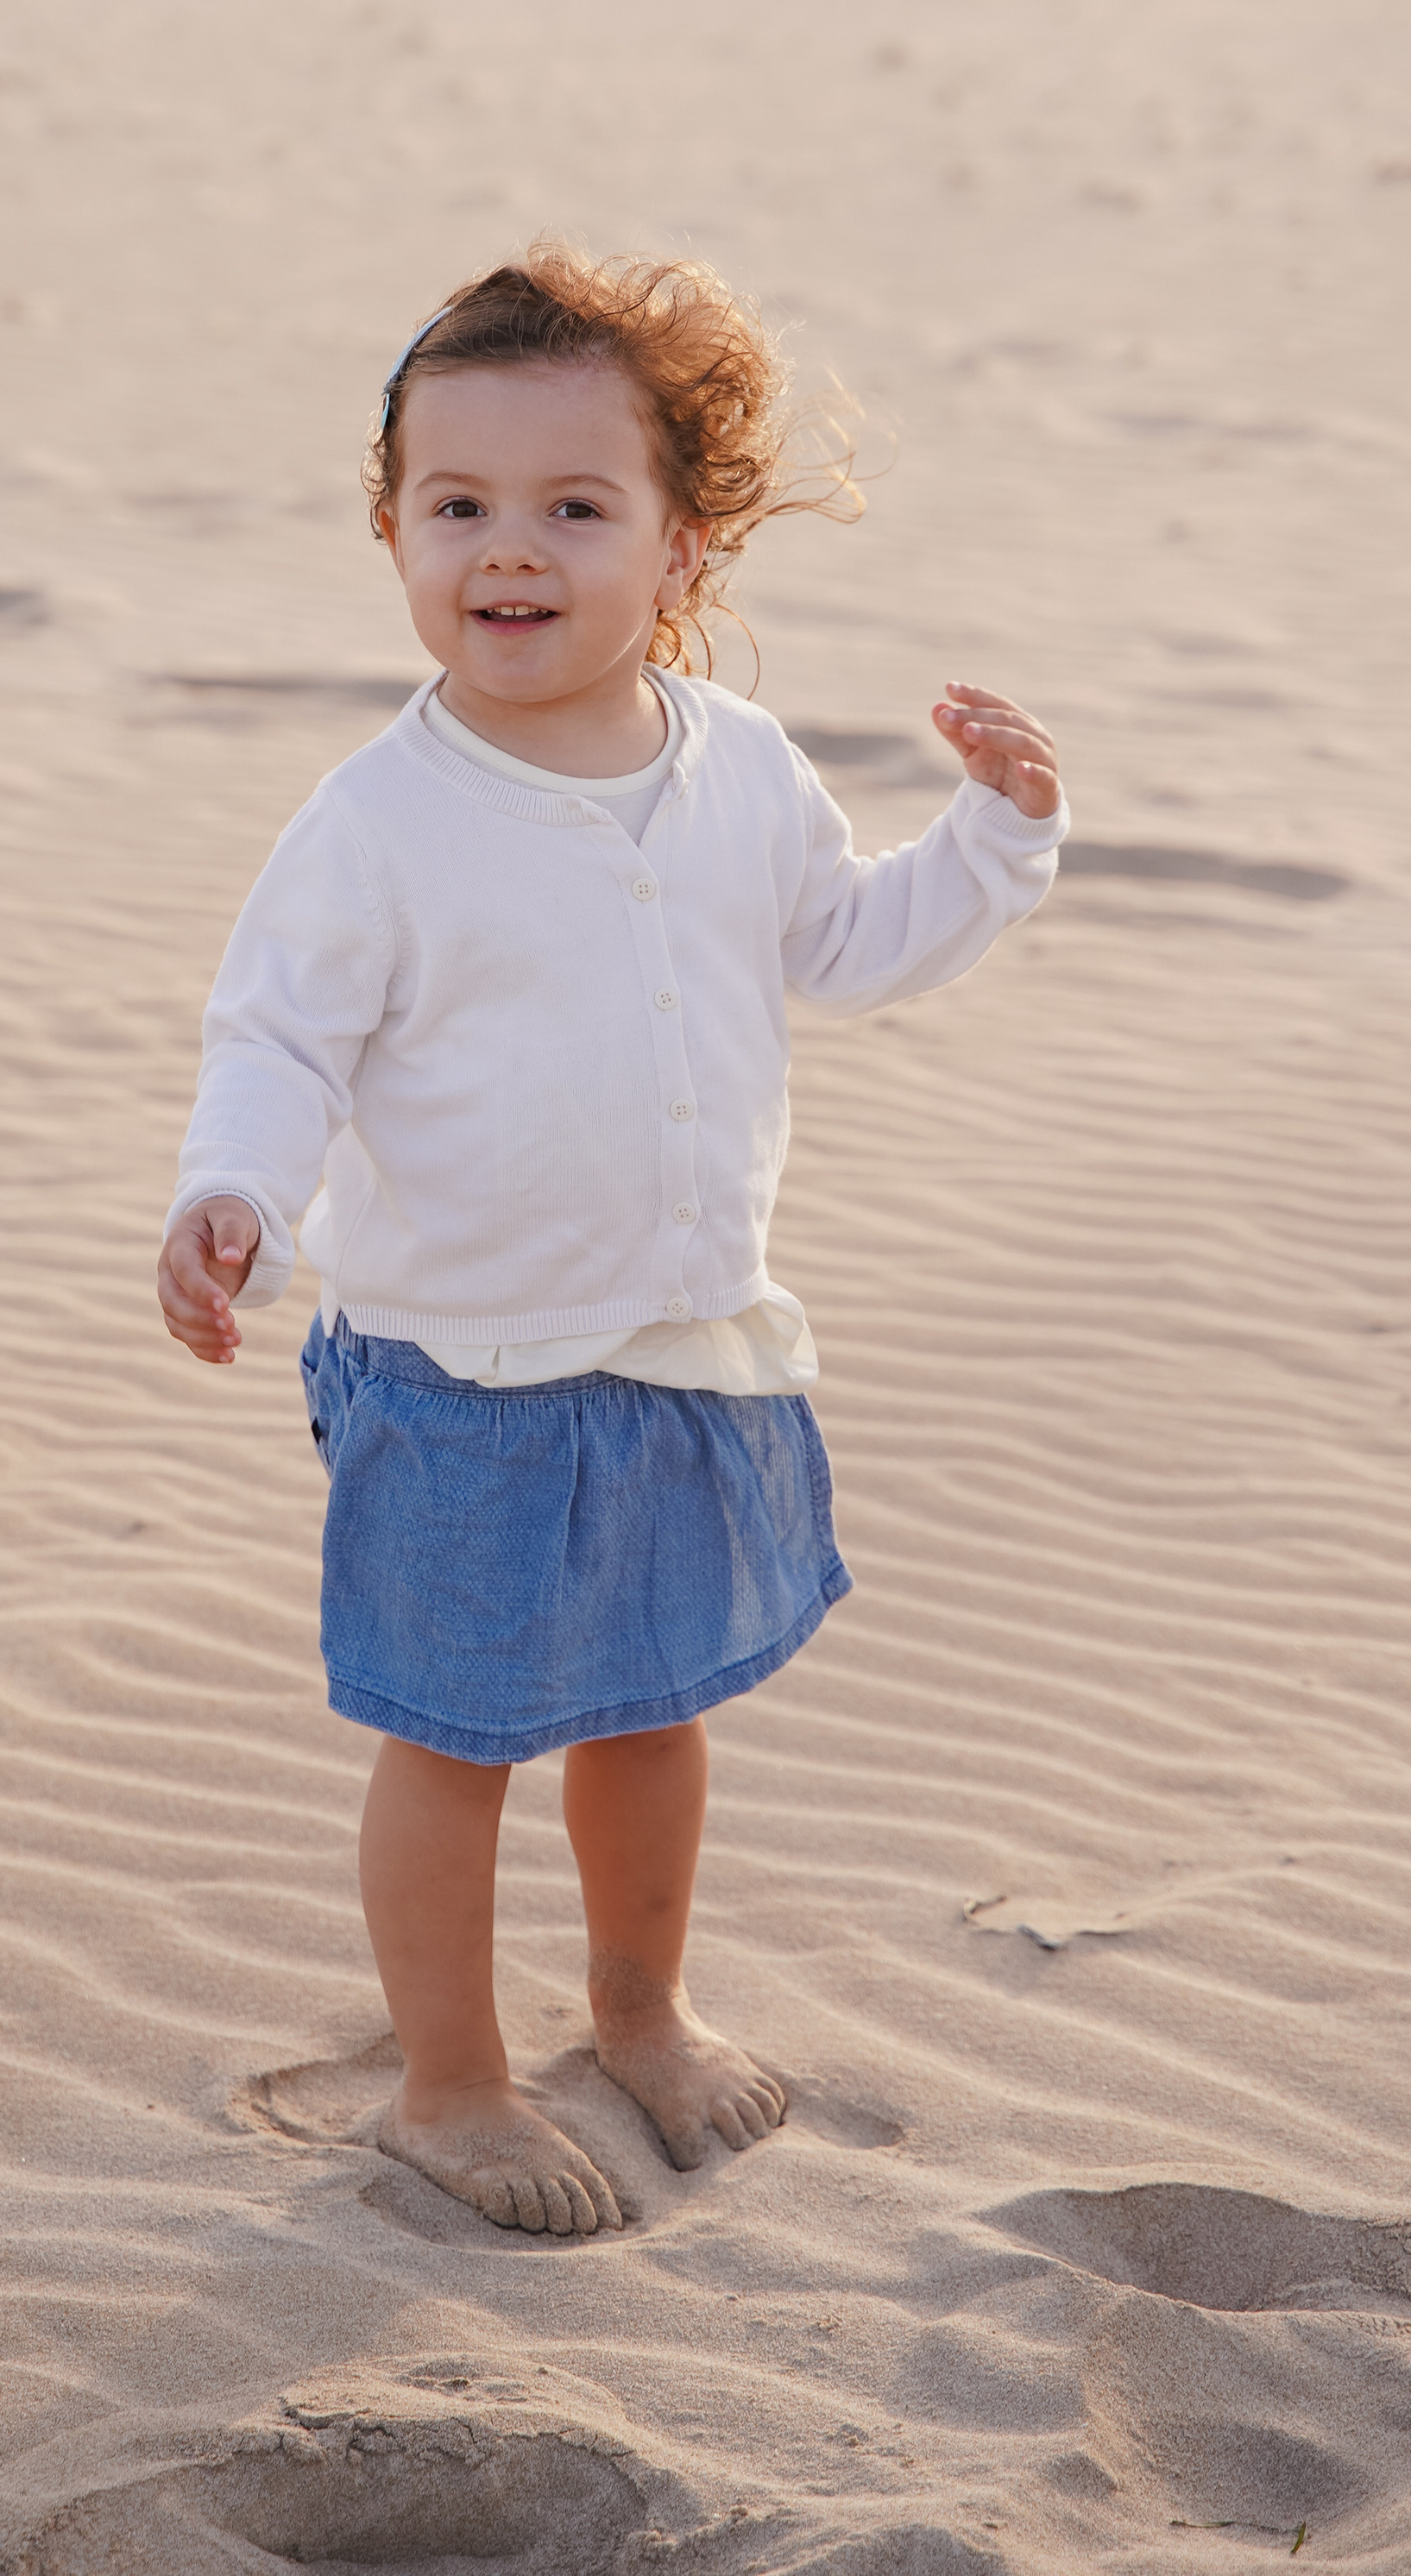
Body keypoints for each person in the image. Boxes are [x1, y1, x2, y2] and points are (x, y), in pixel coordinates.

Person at [156, 242, 1065, 2239]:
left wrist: (986, 840)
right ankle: (451, 2079)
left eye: (575, 507)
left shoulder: (736, 769)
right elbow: (277, 1044)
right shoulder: (377, 822)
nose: (510, 550)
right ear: (391, 526)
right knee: (457, 1734)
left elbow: (844, 945)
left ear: (682, 545)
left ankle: (638, 2010)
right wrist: (233, 1196)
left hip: (682, 1340)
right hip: (455, 1366)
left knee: (656, 1704)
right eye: (455, 505)